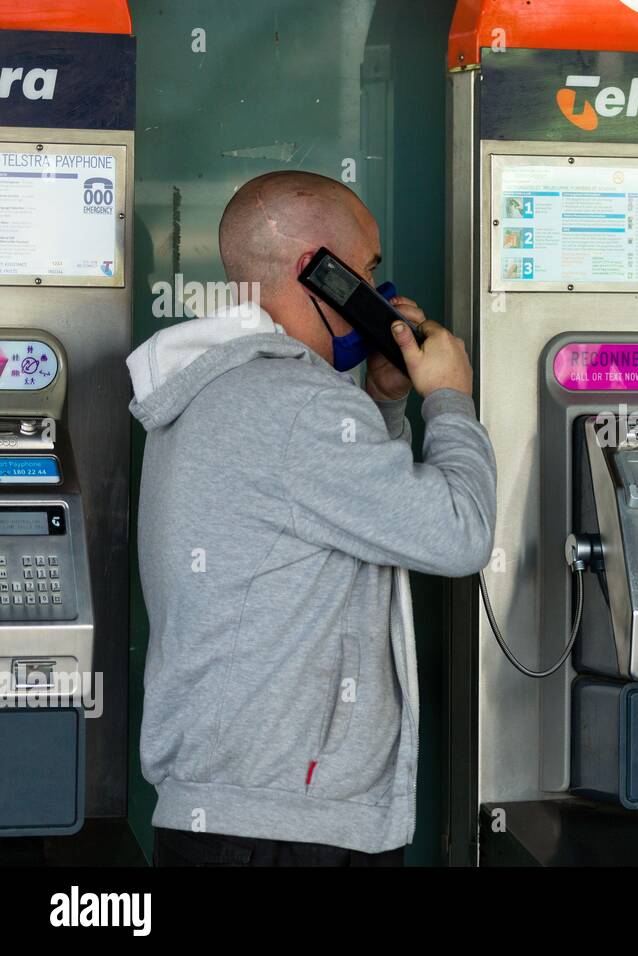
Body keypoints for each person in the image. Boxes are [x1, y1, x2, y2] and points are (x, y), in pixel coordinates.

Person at [127, 171, 496, 866]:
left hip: (239, 816)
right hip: (289, 828)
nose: (381, 291)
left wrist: (384, 405)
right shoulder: (297, 404)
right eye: (369, 270)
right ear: (320, 274)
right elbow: (458, 532)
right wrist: (449, 398)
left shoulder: (228, 389)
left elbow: (357, 520)